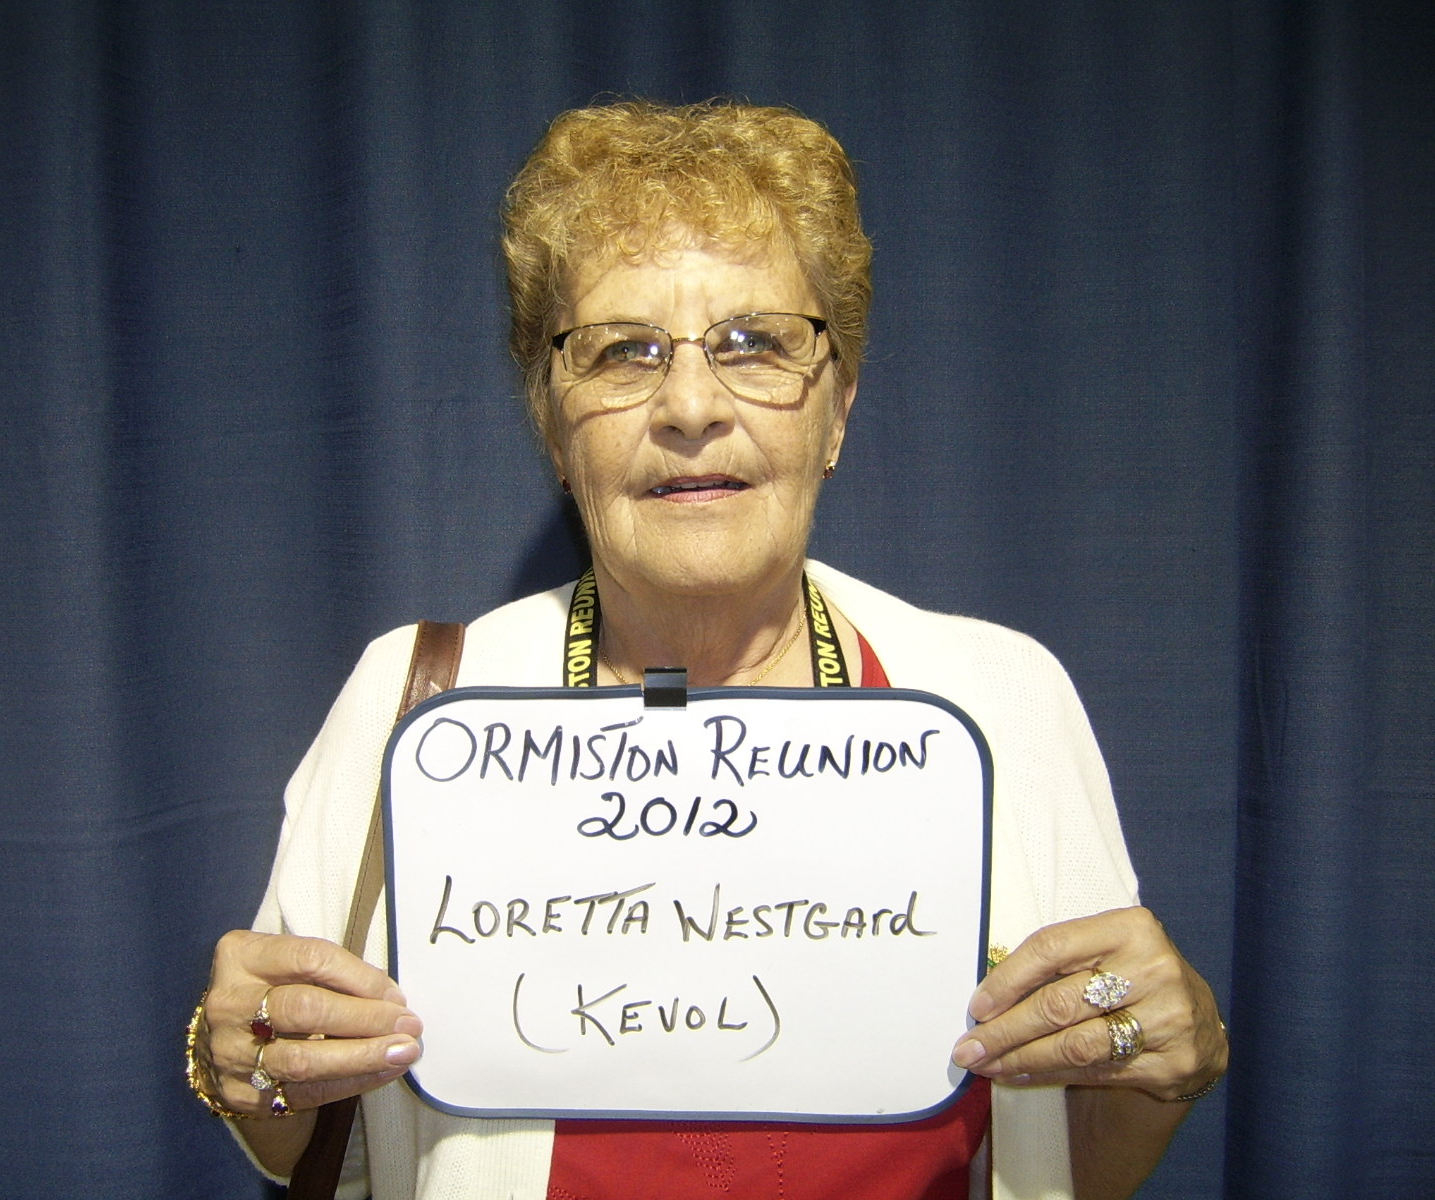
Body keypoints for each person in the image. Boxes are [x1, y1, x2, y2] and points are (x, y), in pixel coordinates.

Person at [185, 100, 1228, 1199]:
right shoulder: (416, 708)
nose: (690, 405)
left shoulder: (1004, 703)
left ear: (837, 408)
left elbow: (1076, 1169)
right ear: (552, 421)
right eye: (623, 352)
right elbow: (310, 1140)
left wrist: (1163, 1064)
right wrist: (237, 1064)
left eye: (756, 343)